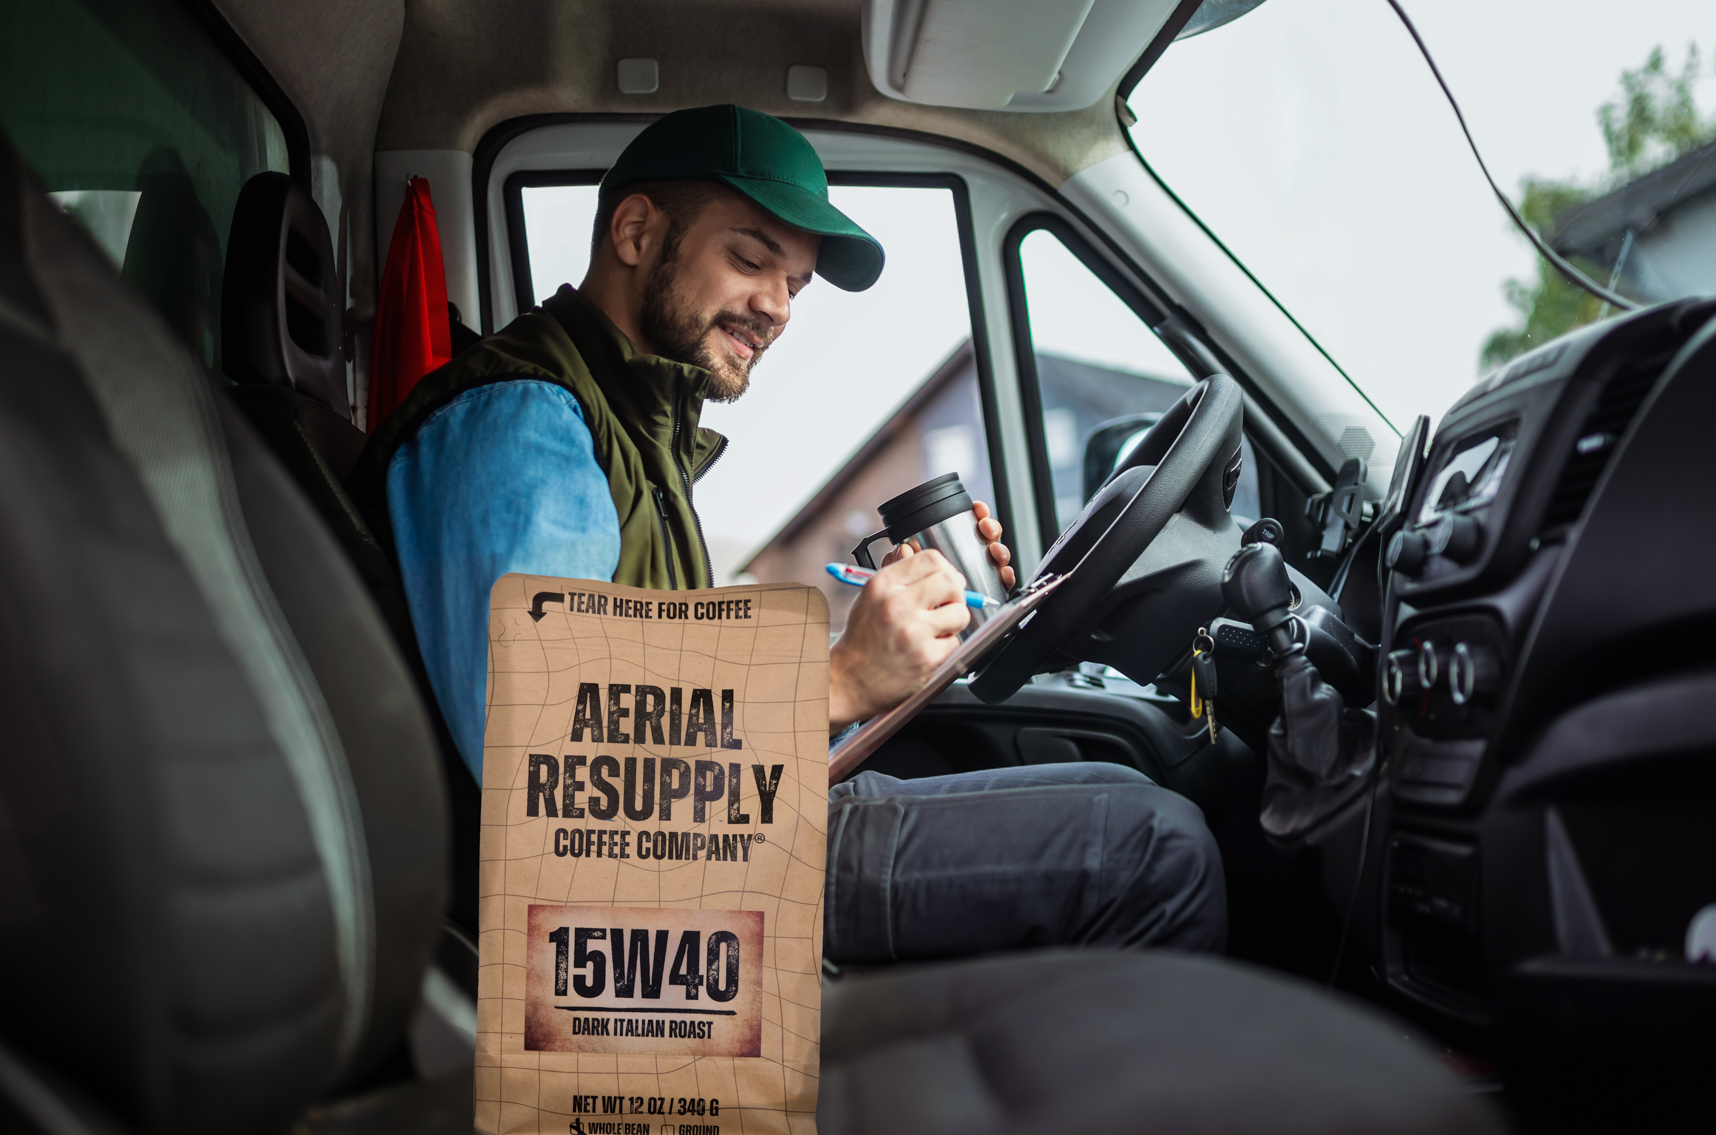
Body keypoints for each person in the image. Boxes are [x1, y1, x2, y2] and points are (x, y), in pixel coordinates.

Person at [355, 105, 1225, 963]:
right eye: (749, 260)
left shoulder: (633, 429)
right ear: (634, 232)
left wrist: (904, 648)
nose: (776, 308)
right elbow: (556, 764)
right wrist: (839, 678)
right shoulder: (525, 423)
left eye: (796, 286)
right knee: (1154, 846)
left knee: (1120, 794)